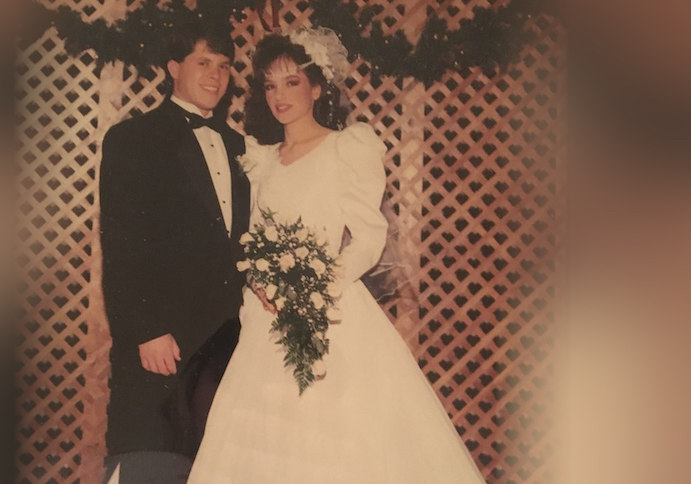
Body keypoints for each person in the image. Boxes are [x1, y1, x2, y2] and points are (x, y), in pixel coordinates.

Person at [187, 29, 487, 484]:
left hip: (329, 314)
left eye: (291, 82)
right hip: (264, 322)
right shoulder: (261, 158)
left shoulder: (346, 147)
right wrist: (261, 284)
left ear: (318, 87)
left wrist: (314, 290)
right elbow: (251, 240)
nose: (279, 96)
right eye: (270, 85)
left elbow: (369, 235)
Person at [98, 20, 250, 484]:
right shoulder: (133, 139)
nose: (215, 75)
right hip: (160, 343)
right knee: (149, 463)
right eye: (202, 62)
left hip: (224, 345)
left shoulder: (239, 146)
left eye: (223, 65)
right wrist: (147, 329)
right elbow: (121, 244)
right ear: (173, 68)